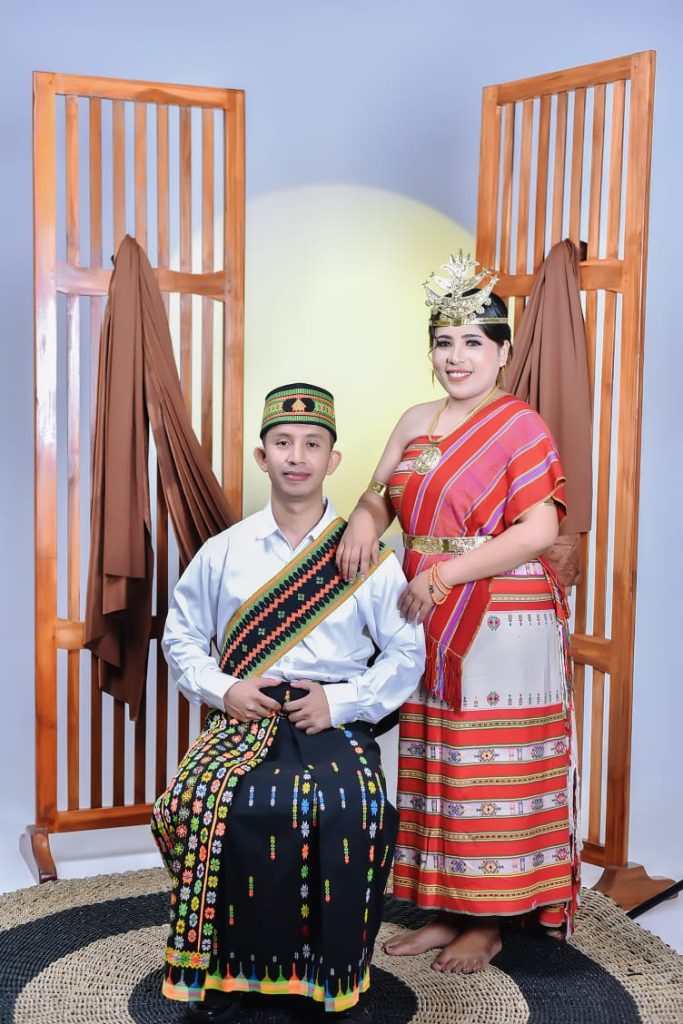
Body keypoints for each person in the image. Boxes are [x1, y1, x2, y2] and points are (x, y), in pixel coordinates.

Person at [151, 383, 425, 1023]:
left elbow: (406, 653)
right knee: (200, 802)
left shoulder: (366, 556)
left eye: (311, 444)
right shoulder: (225, 550)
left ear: (333, 459)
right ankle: (221, 969)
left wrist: (342, 701)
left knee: (349, 807)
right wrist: (225, 689)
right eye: (282, 443)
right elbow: (181, 636)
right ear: (262, 456)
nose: (296, 456)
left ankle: (332, 976)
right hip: (245, 715)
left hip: (330, 717)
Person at [337, 253, 580, 975]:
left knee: (485, 765)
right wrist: (363, 519)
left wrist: (442, 573)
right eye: (444, 342)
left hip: (498, 610)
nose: (457, 356)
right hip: (427, 608)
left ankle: (488, 921)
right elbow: (380, 492)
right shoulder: (416, 419)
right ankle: (446, 908)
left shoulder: (520, 424)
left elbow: (537, 530)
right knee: (436, 761)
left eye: (474, 341)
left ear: (502, 352)